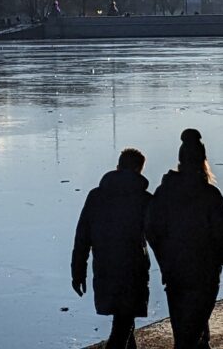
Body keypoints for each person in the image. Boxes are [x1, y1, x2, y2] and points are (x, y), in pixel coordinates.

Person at [146, 129, 223, 349]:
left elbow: (152, 229)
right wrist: (222, 259)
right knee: (194, 331)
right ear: (203, 161)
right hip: (204, 273)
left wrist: (165, 259)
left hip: (175, 272)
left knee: (184, 331)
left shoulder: (164, 193)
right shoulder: (210, 196)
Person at [72, 148, 151, 349]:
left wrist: (78, 271)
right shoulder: (144, 199)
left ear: (118, 167)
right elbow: (160, 236)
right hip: (133, 270)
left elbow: (82, 237)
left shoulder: (96, 196)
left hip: (105, 268)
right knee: (122, 326)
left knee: (123, 320)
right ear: (138, 170)